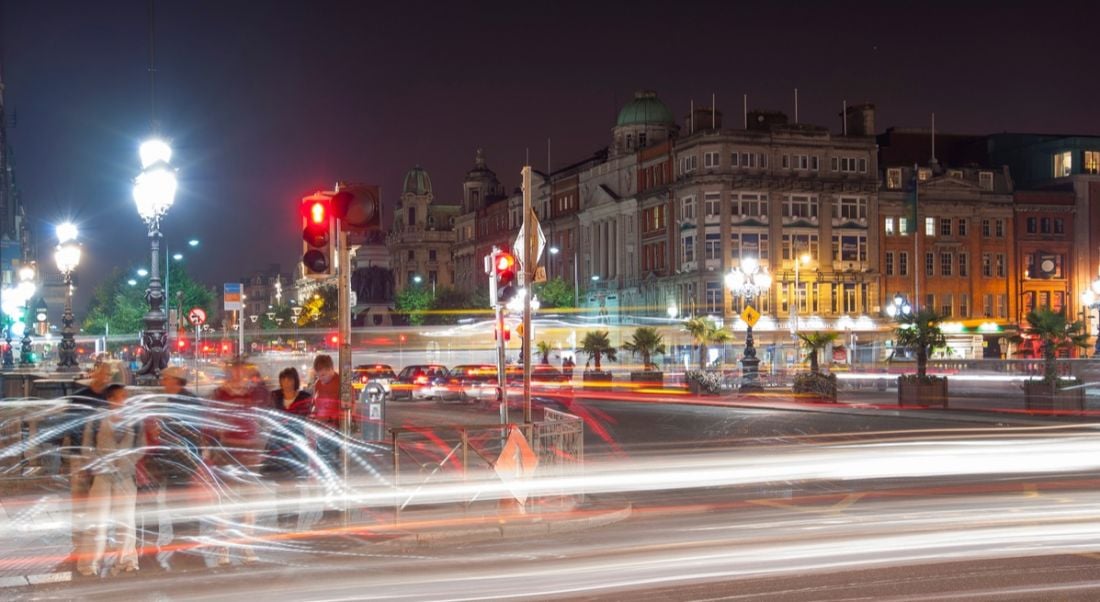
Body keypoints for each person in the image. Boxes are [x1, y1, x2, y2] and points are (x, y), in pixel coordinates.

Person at [206, 359, 267, 566]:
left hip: (248, 452)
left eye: (243, 373)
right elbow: (209, 424)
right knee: (227, 504)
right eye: (235, 373)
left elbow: (262, 418)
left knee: (250, 504)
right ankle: (224, 548)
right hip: (227, 452)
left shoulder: (252, 394)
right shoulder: (220, 394)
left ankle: (246, 545)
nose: (240, 377)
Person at [142, 367, 203, 571]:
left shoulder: (183, 401)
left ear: (176, 381)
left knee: (181, 502)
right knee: (178, 502)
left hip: (182, 461)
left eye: (166, 379)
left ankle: (186, 543)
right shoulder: (179, 400)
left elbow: (186, 432)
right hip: (180, 460)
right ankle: (183, 542)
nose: (163, 383)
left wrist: (162, 431)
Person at [79, 384, 143, 576]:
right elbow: (87, 447)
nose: (126, 399)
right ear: (111, 399)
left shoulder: (134, 420)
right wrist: (98, 464)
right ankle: (89, 562)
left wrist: (128, 462)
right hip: (102, 476)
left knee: (126, 522)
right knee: (97, 521)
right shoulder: (98, 420)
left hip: (125, 476)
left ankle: (127, 560)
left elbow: (140, 446)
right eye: (122, 396)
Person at [69, 359, 114, 576]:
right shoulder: (80, 396)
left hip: (102, 459)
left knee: (97, 503)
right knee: (79, 500)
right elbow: (72, 426)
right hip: (81, 456)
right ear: (94, 373)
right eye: (102, 373)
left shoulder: (111, 398)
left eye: (108, 375)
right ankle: (79, 541)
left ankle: (97, 542)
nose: (104, 377)